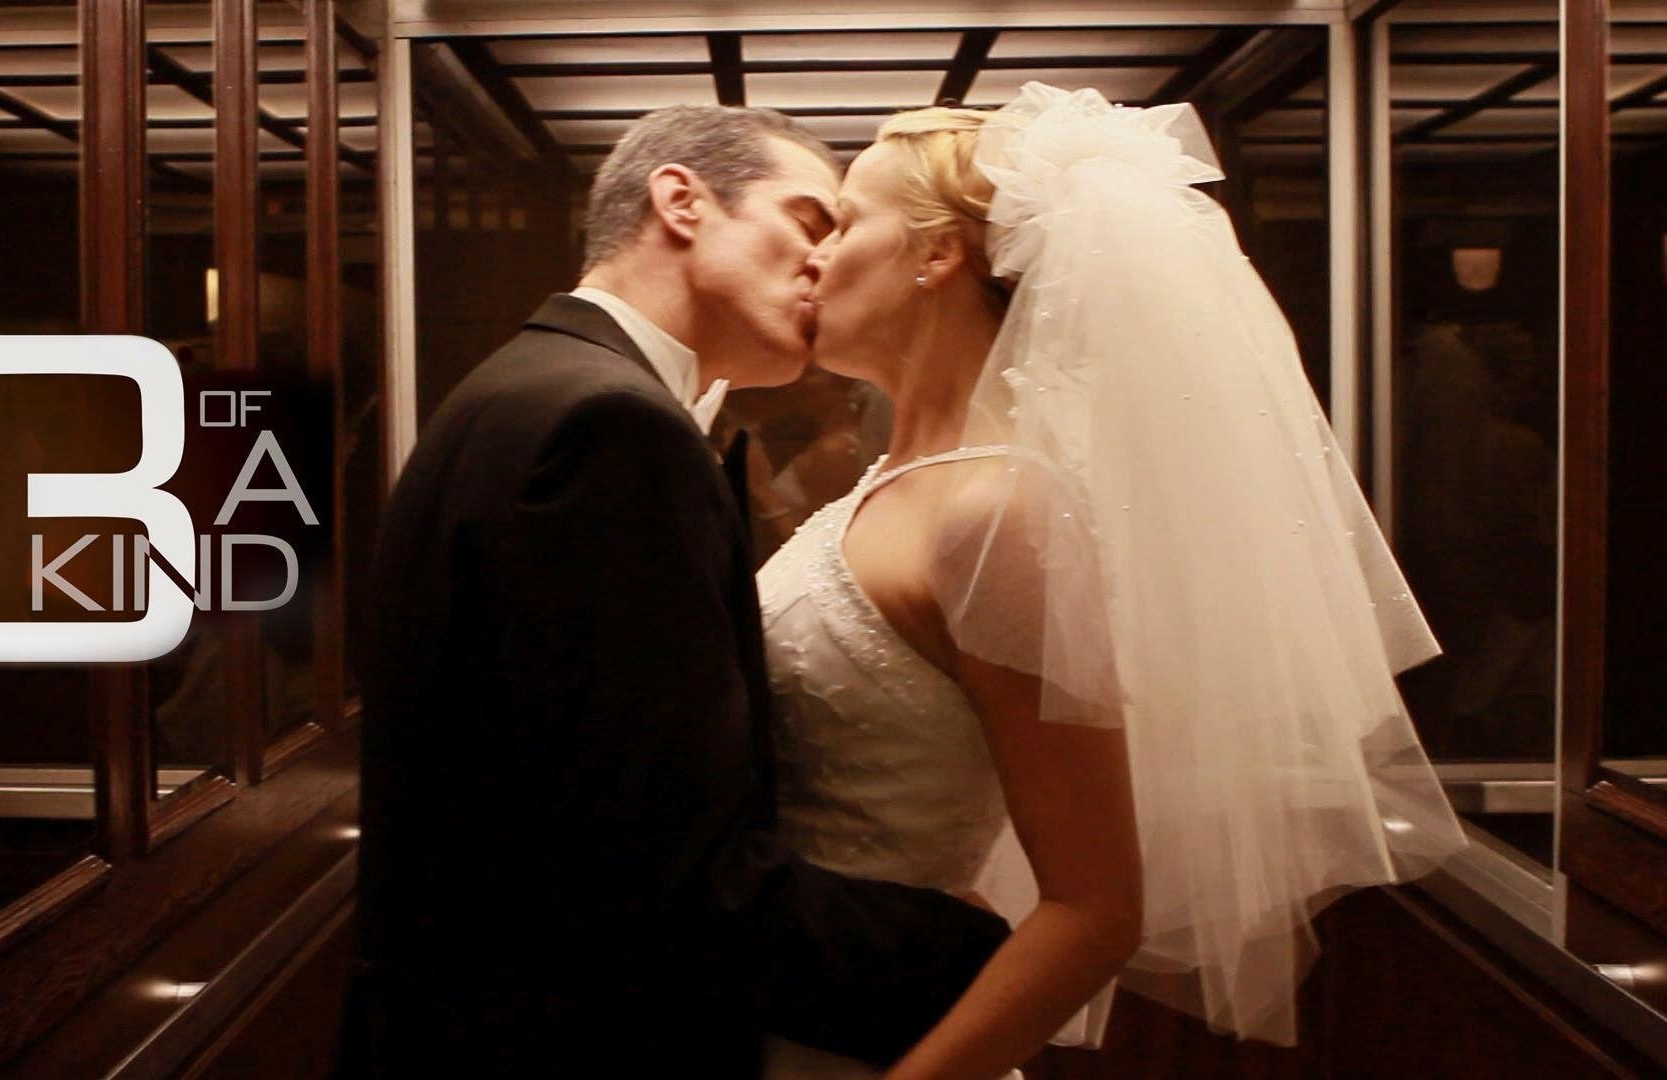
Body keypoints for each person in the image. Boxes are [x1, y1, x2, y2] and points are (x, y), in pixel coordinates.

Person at [756, 83, 1468, 1078]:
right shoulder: (891, 482)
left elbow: (1094, 910)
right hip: (816, 986)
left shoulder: (997, 516)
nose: (816, 256)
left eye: (845, 222)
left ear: (935, 252)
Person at [339, 105, 1012, 1078]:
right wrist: (968, 953)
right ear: (682, 201)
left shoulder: (533, 384)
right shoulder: (608, 427)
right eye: (808, 221)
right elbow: (657, 871)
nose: (823, 263)